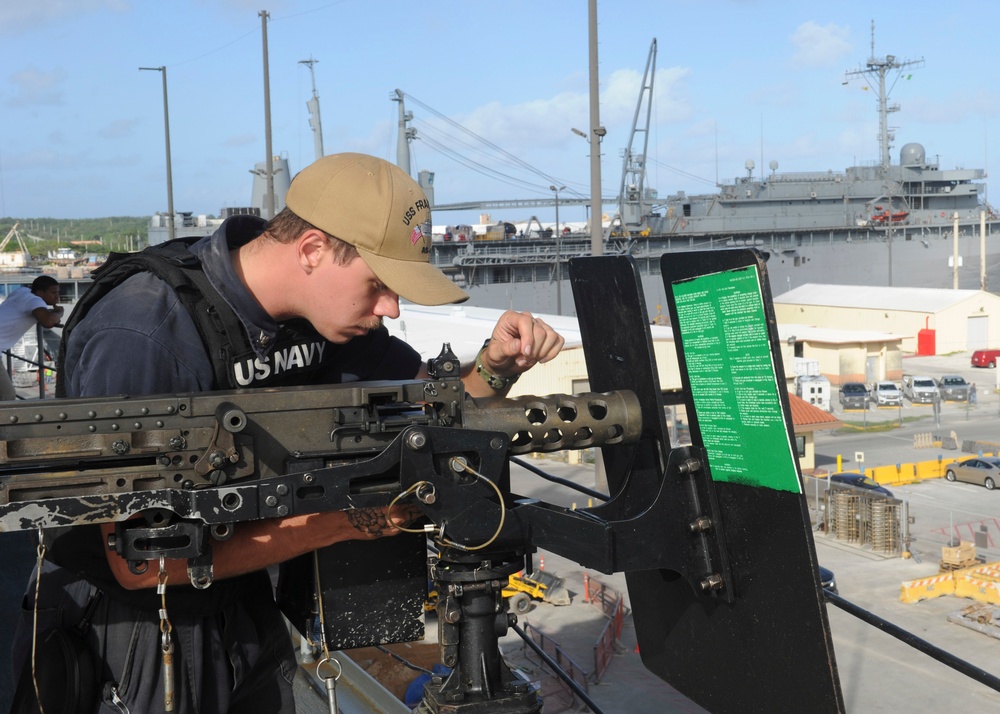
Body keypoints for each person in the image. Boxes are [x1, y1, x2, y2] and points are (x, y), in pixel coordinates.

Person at [13, 153, 564, 713]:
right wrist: (350, 522)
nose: (391, 308)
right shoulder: (146, 332)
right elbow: (137, 565)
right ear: (312, 250)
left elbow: (441, 411)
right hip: (139, 630)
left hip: (242, 598)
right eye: (378, 284)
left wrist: (498, 366)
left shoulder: (323, 318)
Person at [0, 275, 63, 400]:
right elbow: (48, 322)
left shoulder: (22, 292)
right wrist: (59, 312)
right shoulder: (35, 301)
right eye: (53, 292)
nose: (57, 296)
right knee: (7, 396)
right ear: (40, 293)